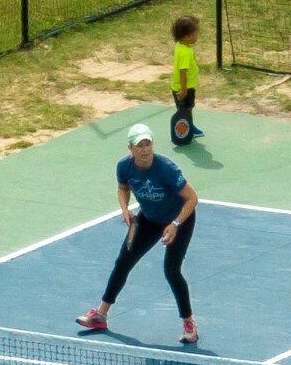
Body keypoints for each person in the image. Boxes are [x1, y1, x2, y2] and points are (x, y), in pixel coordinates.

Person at [75, 123, 201, 344]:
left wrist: (175, 224)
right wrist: (125, 209)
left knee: (171, 270)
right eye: (139, 145)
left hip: (179, 219)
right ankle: (101, 315)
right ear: (130, 148)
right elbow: (123, 188)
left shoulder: (166, 169)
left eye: (148, 143)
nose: (145, 149)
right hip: (148, 219)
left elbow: (192, 198)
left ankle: (189, 324)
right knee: (123, 262)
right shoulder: (124, 167)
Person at [170, 15, 205, 144]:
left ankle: (189, 126)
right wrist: (184, 90)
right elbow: (182, 72)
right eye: (196, 33)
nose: (197, 36)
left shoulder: (181, 47)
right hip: (184, 89)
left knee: (186, 109)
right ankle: (184, 129)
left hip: (185, 87)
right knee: (185, 110)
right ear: (187, 36)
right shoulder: (185, 52)